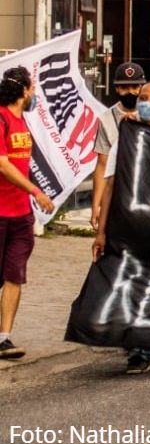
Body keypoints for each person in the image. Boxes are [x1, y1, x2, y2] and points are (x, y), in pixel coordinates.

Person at [94, 80, 150, 374]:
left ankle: (147, 344)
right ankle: (137, 344)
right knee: (131, 283)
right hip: (129, 224)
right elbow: (110, 184)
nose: (145, 101)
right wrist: (101, 231)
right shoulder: (126, 136)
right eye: (143, 96)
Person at [0, 67, 54, 361]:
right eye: (32, 88)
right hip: (1, 210)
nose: (34, 94)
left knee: (15, 274)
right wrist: (36, 191)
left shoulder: (23, 123)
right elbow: (3, 165)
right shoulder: (1, 118)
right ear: (22, 90)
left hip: (21, 215)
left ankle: (3, 338)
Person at [92, 62, 146, 232]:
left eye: (135, 87)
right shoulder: (106, 120)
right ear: (116, 89)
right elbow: (102, 164)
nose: (130, 92)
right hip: (119, 193)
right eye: (124, 87)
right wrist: (96, 206)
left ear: (141, 87)